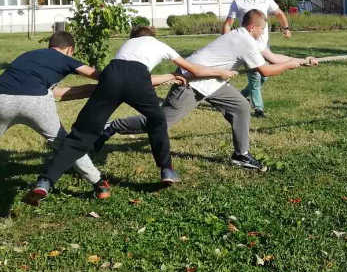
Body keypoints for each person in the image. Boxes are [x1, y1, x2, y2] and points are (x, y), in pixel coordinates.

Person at [25, 26, 237, 205]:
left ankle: (44, 183)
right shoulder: (158, 45)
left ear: (134, 37)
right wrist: (220, 73)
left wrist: (168, 78)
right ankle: (167, 170)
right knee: (157, 120)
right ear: (151, 35)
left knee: (82, 133)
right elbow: (192, 71)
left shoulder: (128, 45)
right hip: (138, 79)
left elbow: (128, 74)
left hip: (112, 74)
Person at [102, 10, 316, 172]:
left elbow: (272, 57)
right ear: (253, 28)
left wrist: (301, 61)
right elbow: (265, 70)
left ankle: (241, 155)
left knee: (240, 106)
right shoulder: (245, 41)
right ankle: (113, 125)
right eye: (262, 30)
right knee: (162, 122)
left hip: (214, 81)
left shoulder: (246, 37)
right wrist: (291, 65)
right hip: (193, 80)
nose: (263, 34)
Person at [0, 32, 108, 198]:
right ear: (70, 49)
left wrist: (88, 90)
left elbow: (51, 92)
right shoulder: (65, 58)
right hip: (35, 102)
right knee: (66, 145)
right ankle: (99, 184)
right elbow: (98, 76)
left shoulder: (27, 55)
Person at [222, 0, 292, 117]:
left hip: (264, 45)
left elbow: (279, 13)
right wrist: (226, 40)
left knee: (264, 76)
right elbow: (228, 24)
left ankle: (242, 96)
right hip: (247, 46)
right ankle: (259, 109)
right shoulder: (238, 1)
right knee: (255, 77)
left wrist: (285, 28)